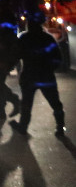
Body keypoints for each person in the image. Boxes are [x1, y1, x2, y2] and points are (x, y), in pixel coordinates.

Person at [9, 9, 65, 137]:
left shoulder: (24, 38)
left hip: (29, 78)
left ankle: (23, 127)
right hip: (47, 78)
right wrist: (49, 69)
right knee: (56, 104)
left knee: (26, 104)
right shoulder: (48, 39)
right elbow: (58, 58)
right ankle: (60, 128)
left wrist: (7, 66)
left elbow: (16, 56)